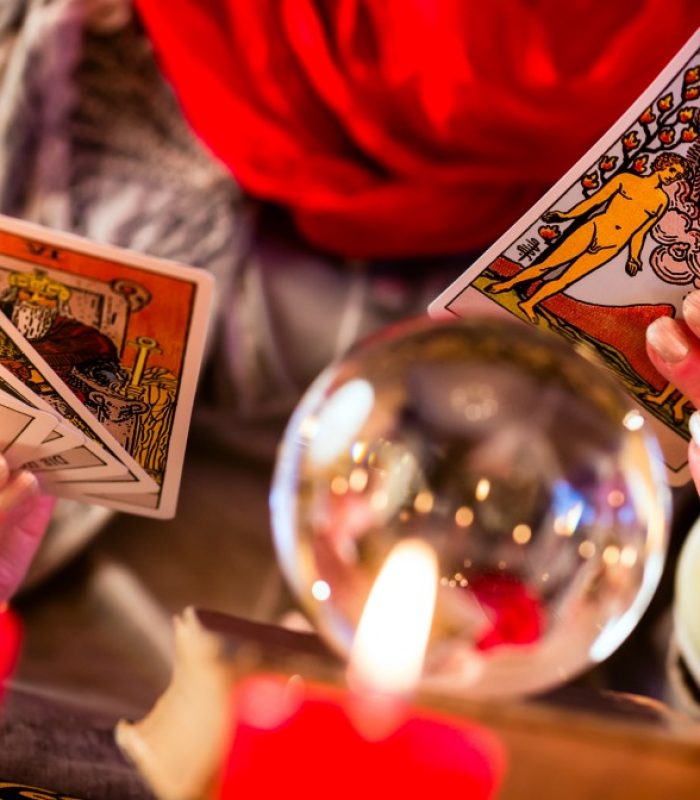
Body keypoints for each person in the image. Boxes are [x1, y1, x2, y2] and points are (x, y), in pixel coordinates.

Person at [488, 153, 689, 322]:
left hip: (612, 245)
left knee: (566, 279)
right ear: (662, 165)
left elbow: (640, 232)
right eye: (672, 171)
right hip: (595, 228)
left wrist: (633, 257)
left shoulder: (661, 201)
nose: (673, 177)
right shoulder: (627, 179)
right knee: (548, 264)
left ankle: (529, 303)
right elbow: (593, 201)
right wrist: (566, 216)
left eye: (677, 176)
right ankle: (507, 284)